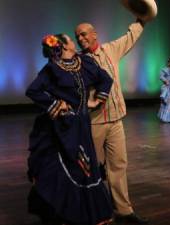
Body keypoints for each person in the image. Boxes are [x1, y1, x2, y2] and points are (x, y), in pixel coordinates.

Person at [26, 34, 113, 225]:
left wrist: (98, 99)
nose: (75, 42)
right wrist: (57, 104)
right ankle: (65, 211)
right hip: (63, 126)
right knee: (69, 166)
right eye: (70, 40)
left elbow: (105, 78)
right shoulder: (52, 69)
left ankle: (87, 212)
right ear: (64, 46)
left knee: (86, 167)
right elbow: (33, 90)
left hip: (82, 124)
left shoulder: (84, 63)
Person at [75, 19, 149, 224]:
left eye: (84, 34)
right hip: (95, 123)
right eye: (78, 36)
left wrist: (142, 17)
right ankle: (92, 211)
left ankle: (124, 211)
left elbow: (130, 36)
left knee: (118, 166)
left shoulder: (110, 50)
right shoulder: (79, 61)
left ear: (94, 34)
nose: (81, 39)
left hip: (116, 120)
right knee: (91, 170)